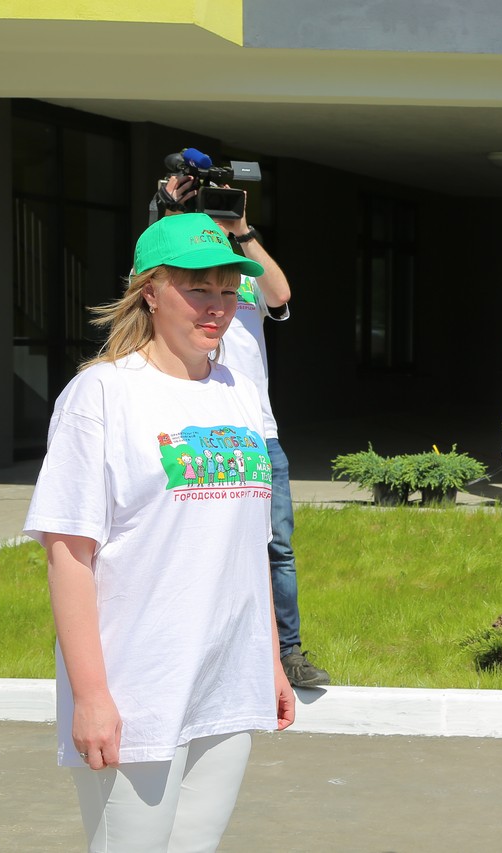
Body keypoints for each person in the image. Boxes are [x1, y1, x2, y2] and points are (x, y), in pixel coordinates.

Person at [23, 213, 295, 851]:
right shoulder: (101, 395)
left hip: (227, 679)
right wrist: (91, 696)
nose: (216, 306)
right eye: (197, 288)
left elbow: (249, 545)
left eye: (227, 290)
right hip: (138, 686)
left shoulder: (238, 392)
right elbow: (68, 554)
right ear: (150, 291)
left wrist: (270, 661)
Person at [159, 174, 330, 688]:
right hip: (189, 427)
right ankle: (202, 646)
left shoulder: (243, 274)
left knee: (276, 545)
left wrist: (243, 230)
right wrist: (171, 217)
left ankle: (287, 652)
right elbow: (148, 285)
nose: (218, 300)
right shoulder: (175, 269)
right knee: (191, 542)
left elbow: (281, 293)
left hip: (258, 431)